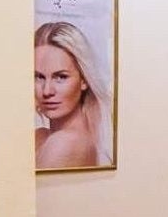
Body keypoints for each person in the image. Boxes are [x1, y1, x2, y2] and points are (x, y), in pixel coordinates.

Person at [35, 21, 113, 170]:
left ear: (84, 79)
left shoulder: (66, 142)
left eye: (61, 77)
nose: (47, 91)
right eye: (39, 77)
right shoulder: (42, 136)